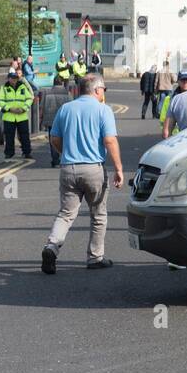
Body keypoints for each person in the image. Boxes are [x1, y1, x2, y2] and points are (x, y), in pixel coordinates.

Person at [41, 74, 124, 274]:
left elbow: (54, 137)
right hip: (93, 169)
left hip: (68, 168)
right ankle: (95, 257)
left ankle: (51, 247)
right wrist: (119, 168)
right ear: (96, 90)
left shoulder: (66, 109)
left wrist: (66, 154)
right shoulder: (103, 110)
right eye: (103, 89)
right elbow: (110, 141)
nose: (104, 93)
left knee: (66, 213)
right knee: (98, 214)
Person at [0, 67, 35, 159]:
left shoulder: (22, 87)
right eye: (12, 78)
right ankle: (9, 153)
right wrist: (10, 109)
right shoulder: (4, 88)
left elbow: (29, 99)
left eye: (15, 78)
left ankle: (27, 152)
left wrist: (23, 108)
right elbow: (0, 101)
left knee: (24, 136)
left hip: (22, 116)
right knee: (9, 137)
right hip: (9, 116)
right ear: (8, 78)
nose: (13, 80)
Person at [39, 78, 73, 167]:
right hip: (64, 120)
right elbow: (72, 107)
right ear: (61, 83)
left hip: (51, 120)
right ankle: (65, 159)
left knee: (53, 140)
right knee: (65, 139)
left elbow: (41, 107)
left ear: (53, 83)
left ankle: (55, 160)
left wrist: (41, 119)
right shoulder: (67, 93)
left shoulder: (47, 92)